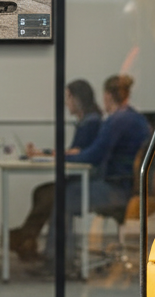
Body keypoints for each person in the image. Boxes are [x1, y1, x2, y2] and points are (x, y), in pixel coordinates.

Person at [40, 74, 151, 273]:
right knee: (67, 191)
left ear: (108, 96)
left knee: (63, 196)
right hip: (128, 188)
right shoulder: (137, 118)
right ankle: (60, 257)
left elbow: (92, 156)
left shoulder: (117, 121)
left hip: (115, 191)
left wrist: (58, 158)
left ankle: (57, 264)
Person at [9, 79, 102, 261]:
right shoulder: (86, 121)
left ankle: (24, 238)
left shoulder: (91, 123)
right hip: (80, 179)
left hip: (88, 182)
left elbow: (78, 153)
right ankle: (25, 239)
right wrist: (42, 152)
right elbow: (73, 151)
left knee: (48, 195)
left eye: (68, 97)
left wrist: (46, 153)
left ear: (77, 99)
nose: (66, 102)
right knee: (42, 192)